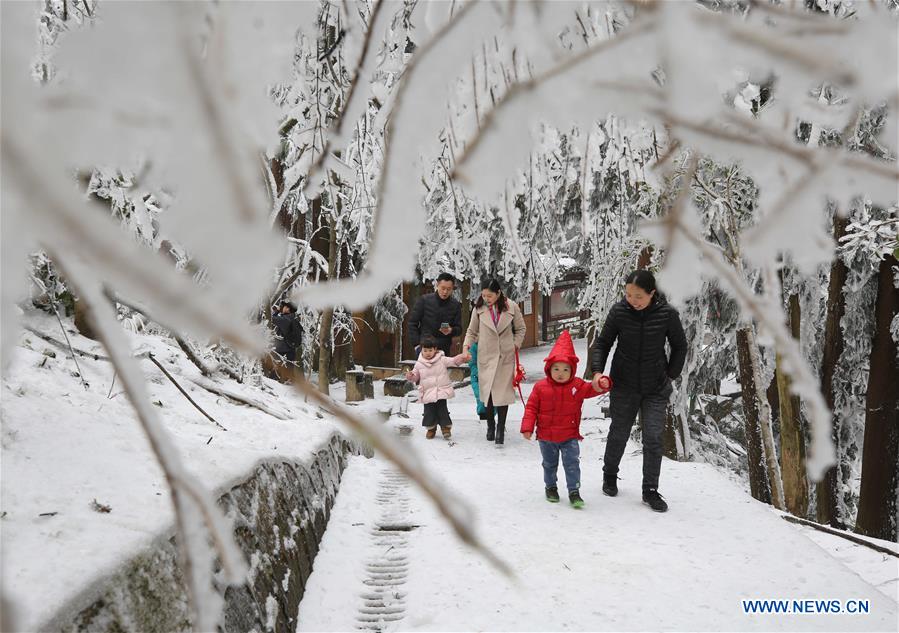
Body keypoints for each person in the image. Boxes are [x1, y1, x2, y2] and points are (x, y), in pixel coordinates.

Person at [590, 270, 687, 513]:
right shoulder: (619, 312)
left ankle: (650, 490)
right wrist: (597, 371)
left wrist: (671, 374)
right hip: (624, 384)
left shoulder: (667, 314)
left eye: (638, 296)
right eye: (628, 294)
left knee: (653, 438)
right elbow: (603, 342)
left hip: (655, 387)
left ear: (652, 293)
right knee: (619, 432)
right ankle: (610, 475)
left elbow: (680, 345)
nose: (632, 300)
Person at [521, 330, 612, 507]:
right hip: (546, 437)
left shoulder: (577, 386)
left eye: (565, 369)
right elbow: (531, 408)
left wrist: (602, 384)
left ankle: (574, 491)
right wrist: (527, 427)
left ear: (572, 370)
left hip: (569, 436)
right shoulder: (540, 388)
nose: (560, 373)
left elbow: (592, 389)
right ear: (549, 369)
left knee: (572, 464)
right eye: (556, 369)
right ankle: (551, 487)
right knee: (549, 464)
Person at [463, 279, 526, 446]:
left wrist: (515, 345)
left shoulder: (512, 307)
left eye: (489, 296)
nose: (486, 299)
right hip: (486, 356)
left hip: (505, 356)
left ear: (498, 293)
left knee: (503, 393)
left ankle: (501, 428)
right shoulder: (479, 309)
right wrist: (466, 347)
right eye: (483, 295)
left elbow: (521, 329)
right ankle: (490, 425)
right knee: (488, 393)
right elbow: (471, 331)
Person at [405, 336, 470, 440]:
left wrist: (462, 358)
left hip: (441, 390)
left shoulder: (441, 359)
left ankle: (445, 428)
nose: (428, 353)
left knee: (442, 410)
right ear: (421, 350)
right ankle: (431, 428)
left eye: (430, 350)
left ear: (435, 349)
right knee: (429, 412)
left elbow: (453, 361)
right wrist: (411, 376)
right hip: (427, 391)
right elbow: (415, 376)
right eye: (425, 350)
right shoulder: (419, 364)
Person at [408, 273, 463, 357]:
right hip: (425, 349)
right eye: (443, 288)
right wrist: (417, 345)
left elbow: (459, 329)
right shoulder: (424, 300)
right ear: (437, 285)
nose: (445, 292)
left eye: (449, 289)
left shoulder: (455, 305)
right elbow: (412, 323)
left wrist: (451, 330)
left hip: (443, 350)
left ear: (452, 289)